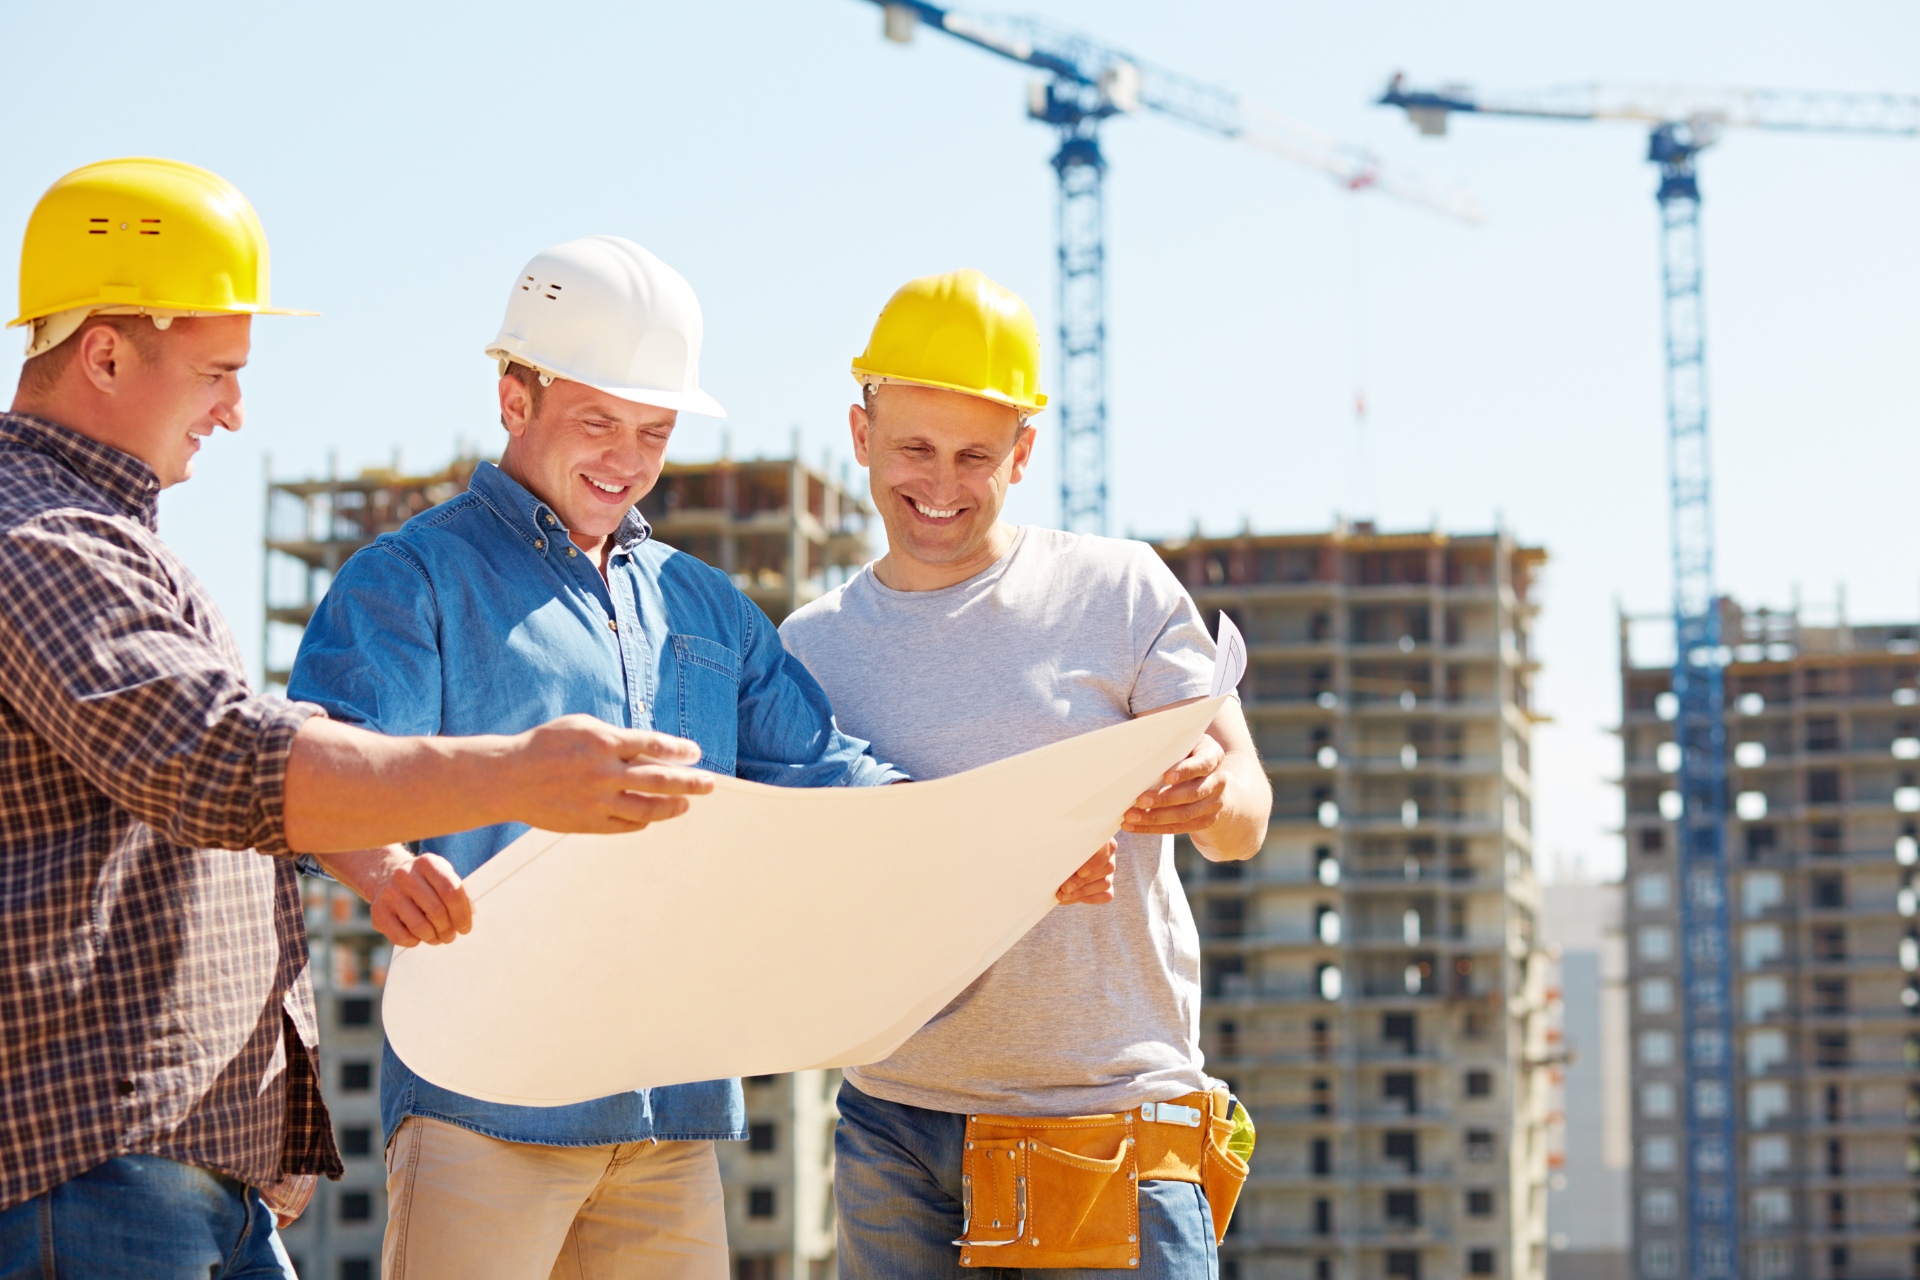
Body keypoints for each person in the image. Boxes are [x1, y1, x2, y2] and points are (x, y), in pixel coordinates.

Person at [287, 237, 1119, 1280]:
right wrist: (381, 864)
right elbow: (320, 765)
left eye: (653, 430)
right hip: (483, 1099)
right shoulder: (411, 582)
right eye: (598, 421)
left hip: (668, 1113)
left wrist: (1004, 847)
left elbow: (829, 771)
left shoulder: (702, 606)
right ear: (514, 397)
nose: (626, 458)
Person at [0, 162, 717, 1280]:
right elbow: (220, 758)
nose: (237, 409)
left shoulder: (108, 539)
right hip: (102, 1172)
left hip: (180, 1175)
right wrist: (518, 774)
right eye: (217, 372)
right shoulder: (41, 537)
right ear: (103, 350)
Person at [779, 269, 1275, 1279]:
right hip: (894, 1128)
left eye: (976, 454)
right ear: (861, 433)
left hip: (1105, 1122)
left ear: (1025, 452)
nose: (942, 483)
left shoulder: (1119, 589)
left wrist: (1212, 798)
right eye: (915, 446)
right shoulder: (810, 650)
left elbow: (1248, 815)